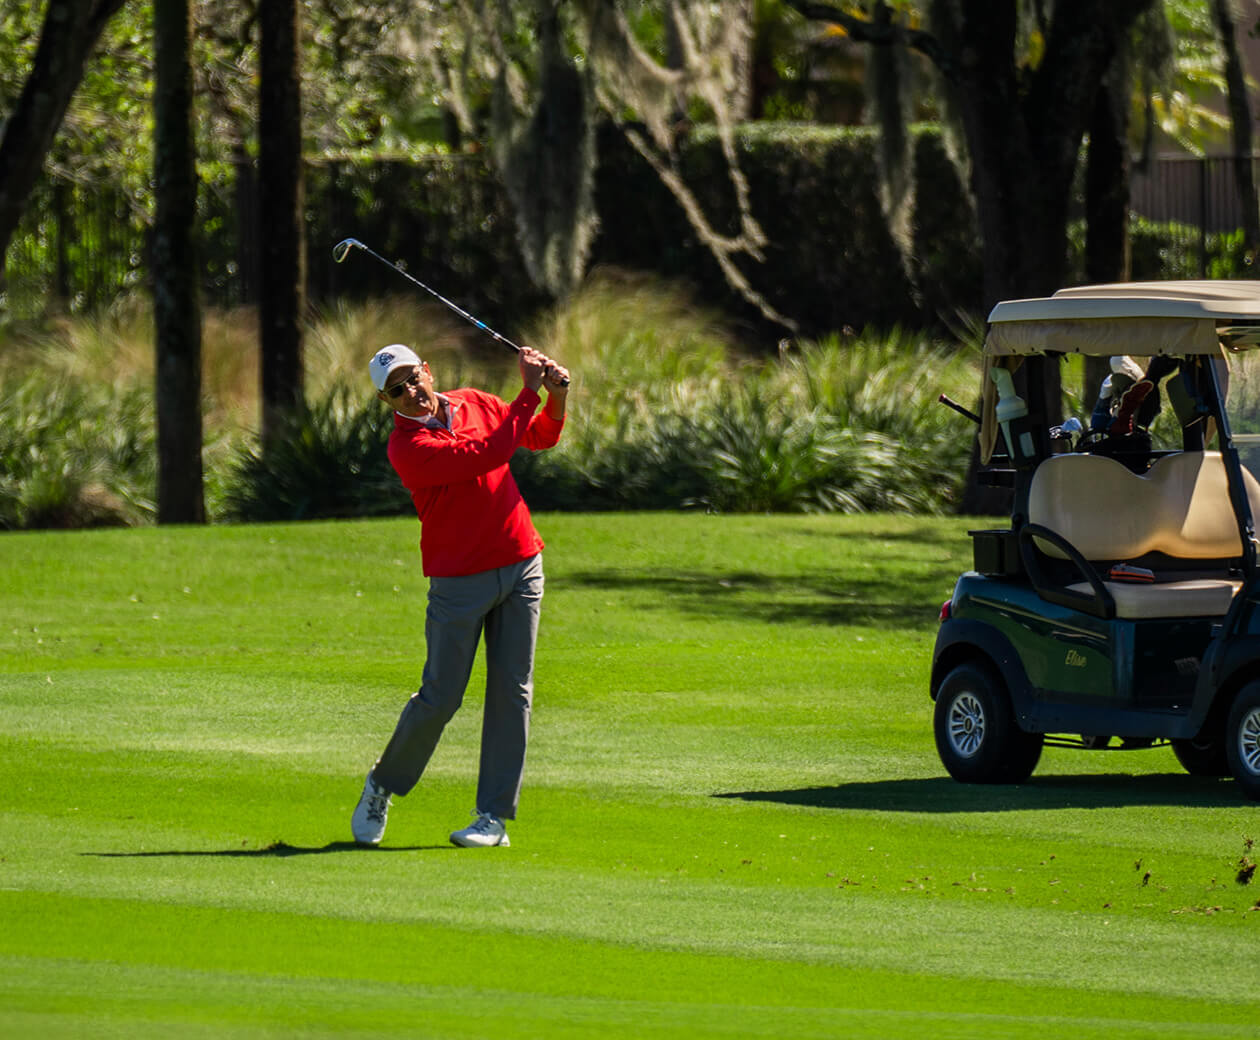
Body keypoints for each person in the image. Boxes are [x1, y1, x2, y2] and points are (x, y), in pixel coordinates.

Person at [351, 341, 569, 848]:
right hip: (459, 580)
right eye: (396, 390)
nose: (410, 392)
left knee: (513, 693)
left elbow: (537, 437)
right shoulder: (406, 449)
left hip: (521, 563)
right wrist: (528, 391)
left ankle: (492, 817)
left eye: (412, 378)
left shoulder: (475, 401)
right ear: (388, 402)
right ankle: (383, 784)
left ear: (427, 371)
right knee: (441, 697)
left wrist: (555, 396)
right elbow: (485, 454)